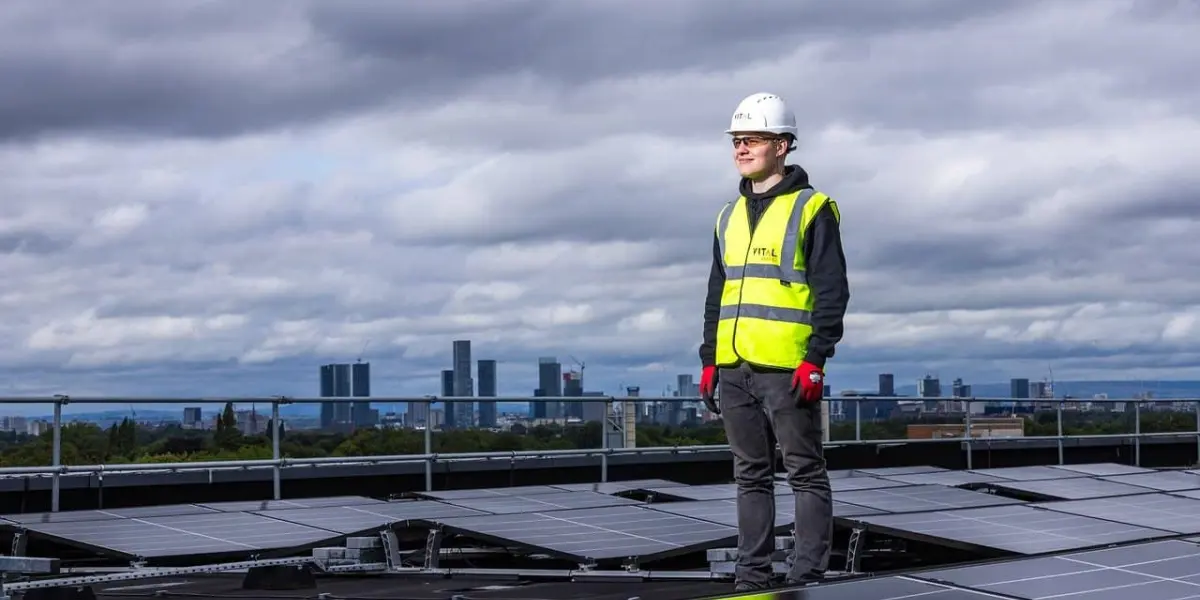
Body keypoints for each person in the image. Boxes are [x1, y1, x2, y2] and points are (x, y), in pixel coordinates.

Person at [698, 92, 850, 591]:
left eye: (753, 140)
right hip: (734, 367)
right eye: (737, 141)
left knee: (804, 472)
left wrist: (816, 357)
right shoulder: (727, 216)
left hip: (788, 368)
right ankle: (752, 578)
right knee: (750, 476)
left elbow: (832, 289)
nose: (742, 148)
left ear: (782, 146)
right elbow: (717, 292)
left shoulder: (812, 208)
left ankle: (806, 577)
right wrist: (708, 359)